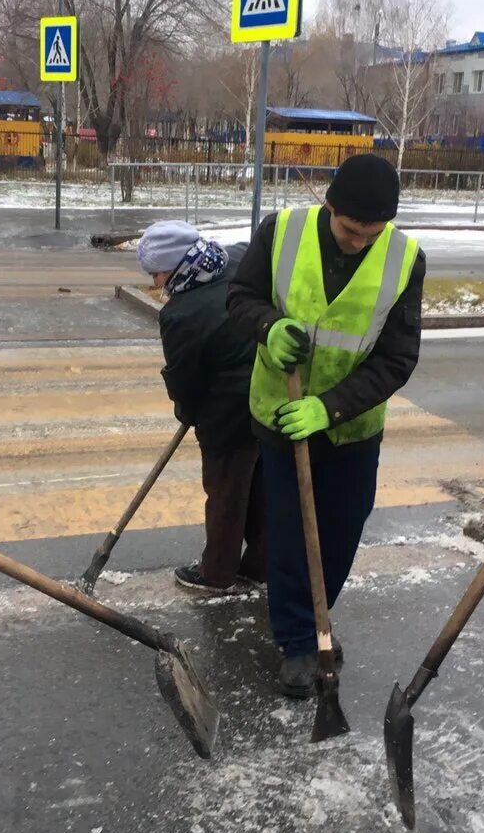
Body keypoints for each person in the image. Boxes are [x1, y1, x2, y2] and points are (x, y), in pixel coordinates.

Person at [227, 154, 425, 697]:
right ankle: (298, 641)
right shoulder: (282, 232)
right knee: (291, 535)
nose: (359, 241)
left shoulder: (406, 259)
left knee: (342, 530)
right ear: (329, 206)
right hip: (282, 418)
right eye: (349, 229)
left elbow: (396, 359)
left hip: (352, 426)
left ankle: (319, 614)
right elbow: (239, 299)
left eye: (372, 232)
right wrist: (268, 327)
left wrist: (331, 407)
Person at [138, 222, 266, 594]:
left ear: (176, 265)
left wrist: (188, 413)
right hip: (271, 397)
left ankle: (216, 574)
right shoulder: (237, 257)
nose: (156, 282)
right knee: (260, 485)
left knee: (226, 494)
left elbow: (185, 380)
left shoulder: (182, 314)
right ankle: (260, 566)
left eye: (158, 272)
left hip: (227, 417)